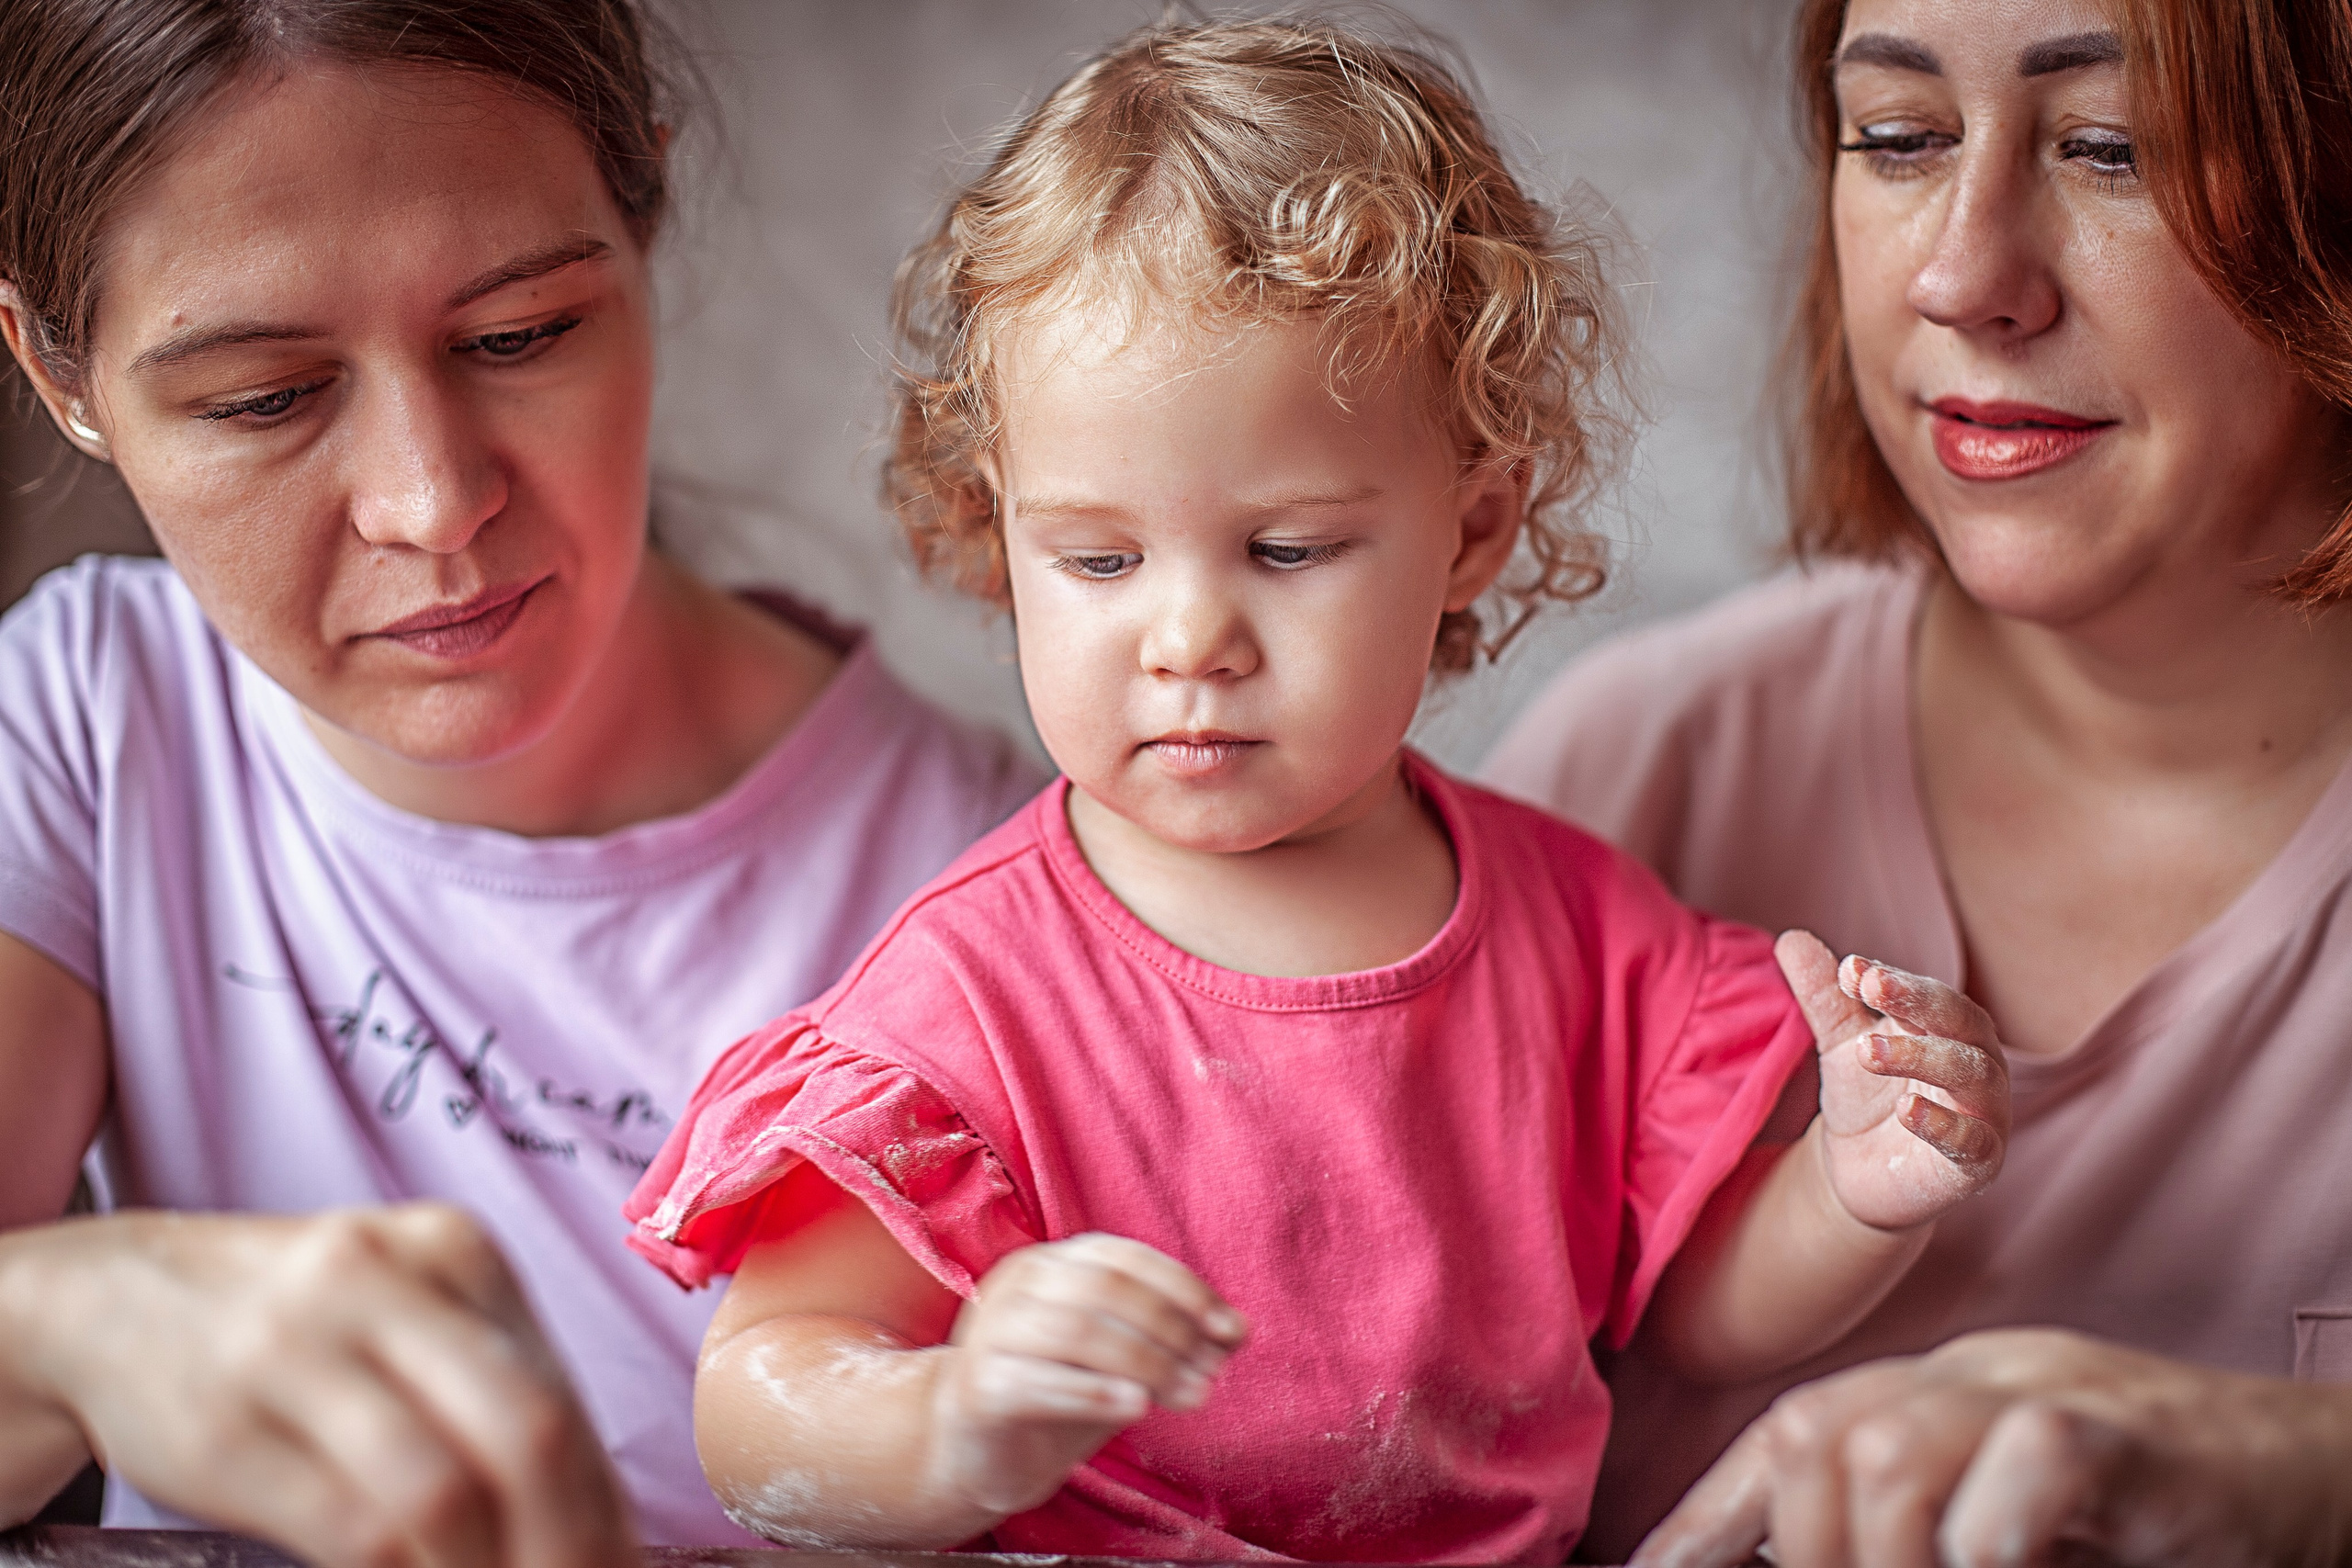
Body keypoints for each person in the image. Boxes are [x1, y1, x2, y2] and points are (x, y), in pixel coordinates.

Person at [621, 18, 2016, 1563]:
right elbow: (757, 1411)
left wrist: (1852, 1189)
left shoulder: (1578, 927)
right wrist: (955, 1424)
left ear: (1471, 532)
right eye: (1094, 560)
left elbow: (1689, 1307)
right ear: (995, 532)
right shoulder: (972, 998)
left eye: (1286, 551)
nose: (1190, 640)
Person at [0, 4, 1040, 1565]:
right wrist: (61, 1318)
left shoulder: (1002, 889)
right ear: (59, 375)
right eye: (264, 399)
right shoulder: (91, 726)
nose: (431, 503)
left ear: (644, 227)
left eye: (518, 337)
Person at [1483, 0, 2352, 1563]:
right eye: (1898, 138)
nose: (1960, 277)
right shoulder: (1628, 776)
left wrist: (2300, 1464)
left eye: (2111, 149)